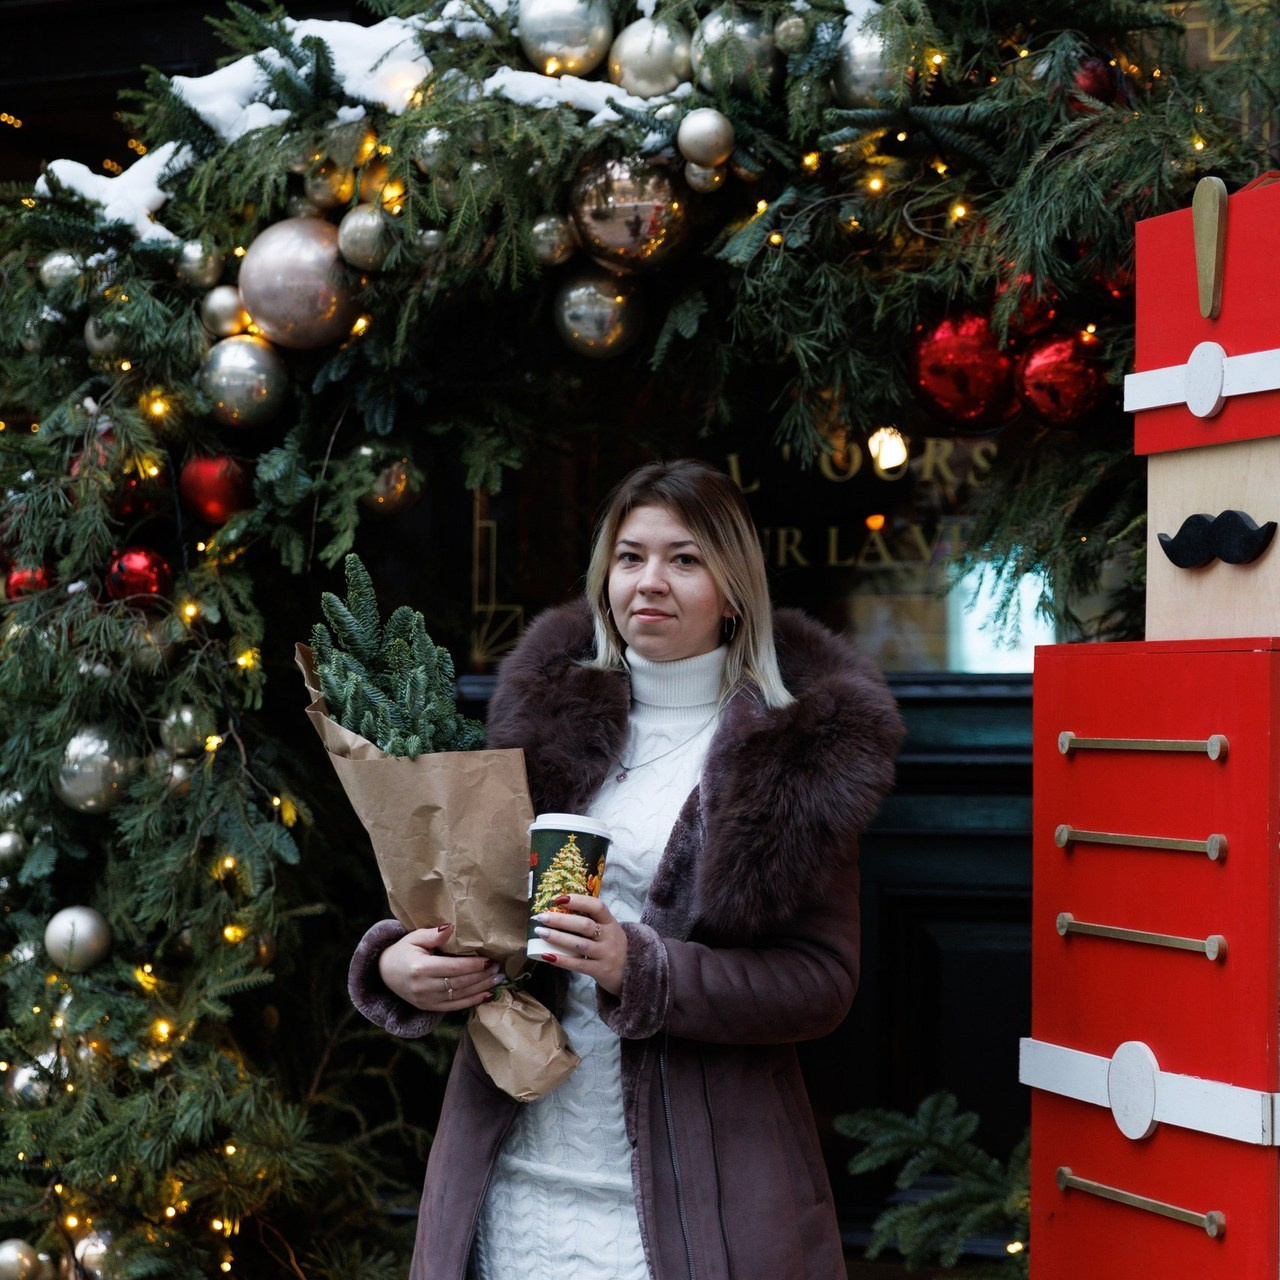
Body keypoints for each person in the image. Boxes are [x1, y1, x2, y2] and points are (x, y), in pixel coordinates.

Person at [348, 458, 904, 1280]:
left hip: (691, 1197)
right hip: (511, 1172)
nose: (650, 581)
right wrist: (401, 961)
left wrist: (642, 968)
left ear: (734, 587)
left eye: (684, 559)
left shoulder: (793, 756)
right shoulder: (539, 720)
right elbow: (473, 901)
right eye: (629, 556)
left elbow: (819, 983)